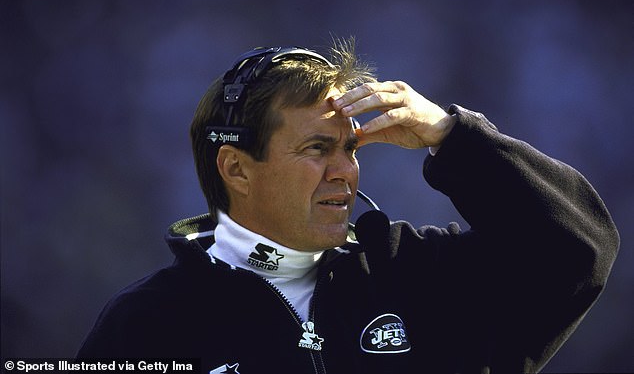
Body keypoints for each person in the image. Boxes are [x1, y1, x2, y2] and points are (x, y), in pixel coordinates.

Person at [77, 40, 619, 374]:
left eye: (350, 149)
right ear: (236, 168)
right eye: (317, 149)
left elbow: (578, 250)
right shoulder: (145, 327)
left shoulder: (418, 276)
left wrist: (453, 137)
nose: (345, 170)